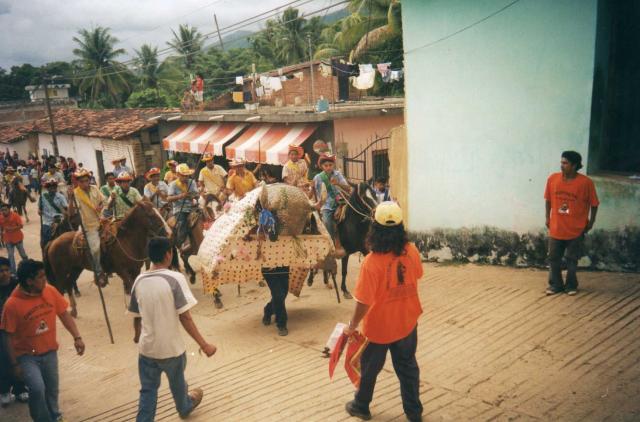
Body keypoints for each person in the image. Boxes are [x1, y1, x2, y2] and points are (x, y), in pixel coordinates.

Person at [342, 202, 424, 422]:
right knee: (408, 368)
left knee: (369, 368)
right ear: (400, 227)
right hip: (407, 320)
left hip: (379, 327)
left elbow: (363, 302)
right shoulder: (412, 250)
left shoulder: (371, 263)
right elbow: (417, 275)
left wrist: (351, 326)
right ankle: (414, 413)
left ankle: (361, 406)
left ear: (374, 228)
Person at [129, 237, 216, 421]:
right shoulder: (175, 279)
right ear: (168, 254)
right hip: (171, 349)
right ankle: (184, 407)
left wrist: (137, 336)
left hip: (147, 350)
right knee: (177, 384)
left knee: (148, 391)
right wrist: (204, 344)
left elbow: (136, 315)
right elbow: (185, 317)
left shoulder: (138, 281)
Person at [0, 259, 85, 422]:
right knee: (38, 389)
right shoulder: (12, 304)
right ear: (29, 281)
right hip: (26, 356)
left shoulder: (50, 291)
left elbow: (64, 314)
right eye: (40, 277)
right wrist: (14, 364)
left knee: (52, 389)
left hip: (50, 351)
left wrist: (77, 337)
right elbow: (7, 335)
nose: (45, 279)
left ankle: (55, 415)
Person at [544, 151, 599, 296]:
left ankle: (571, 285)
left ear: (574, 165)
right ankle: (555, 285)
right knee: (553, 258)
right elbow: (548, 200)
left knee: (572, 259)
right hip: (556, 227)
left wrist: (591, 222)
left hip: (576, 229)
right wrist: (547, 218)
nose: (561, 166)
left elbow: (594, 204)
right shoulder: (553, 179)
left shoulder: (586, 183)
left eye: (565, 163)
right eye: (561, 162)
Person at [68, 169, 108, 285]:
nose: (85, 184)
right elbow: (70, 213)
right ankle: (98, 272)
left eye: (87, 180)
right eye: (82, 182)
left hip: (102, 220)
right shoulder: (75, 193)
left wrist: (102, 207)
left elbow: (104, 202)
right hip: (89, 226)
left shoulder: (95, 188)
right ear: (78, 182)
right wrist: (70, 199)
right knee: (95, 249)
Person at [0, 256, 28, 407]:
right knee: (2, 360)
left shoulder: (18, 285)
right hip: (0, 330)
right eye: (0, 271)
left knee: (20, 358)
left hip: (18, 329)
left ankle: (20, 388)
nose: (4, 273)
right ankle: (4, 390)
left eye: (6, 270)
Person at [312, 154, 350, 257]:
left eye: (330, 165)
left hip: (341, 202)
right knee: (327, 221)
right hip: (326, 204)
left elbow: (348, 189)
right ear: (322, 167)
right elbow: (314, 194)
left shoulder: (338, 175)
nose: (328, 167)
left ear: (333, 165)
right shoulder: (318, 178)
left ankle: (348, 243)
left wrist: (338, 183)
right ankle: (330, 246)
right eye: (326, 165)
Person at [168, 164, 199, 250]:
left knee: (205, 214)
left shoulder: (191, 182)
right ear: (178, 174)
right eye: (183, 175)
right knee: (182, 223)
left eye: (187, 175)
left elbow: (197, 195)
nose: (185, 177)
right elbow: (169, 198)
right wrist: (180, 196)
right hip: (180, 208)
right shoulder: (173, 184)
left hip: (192, 207)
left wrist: (192, 196)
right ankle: (181, 244)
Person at [38, 179, 68, 250]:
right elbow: (39, 209)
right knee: (45, 240)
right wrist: (39, 211)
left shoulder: (61, 197)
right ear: (47, 188)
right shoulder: (43, 196)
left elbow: (66, 208)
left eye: (54, 187)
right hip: (47, 221)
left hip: (59, 219)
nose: (52, 189)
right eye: (50, 187)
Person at [0, 202, 29, 275]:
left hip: (18, 238)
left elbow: (21, 226)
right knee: (10, 255)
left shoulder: (15, 215)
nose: (4, 211)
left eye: (5, 210)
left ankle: (28, 266)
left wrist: (11, 229)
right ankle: (13, 273)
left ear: (9, 209)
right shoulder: (0, 217)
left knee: (23, 254)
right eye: (2, 210)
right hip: (8, 239)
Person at [261, 267, 290, 336]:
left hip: (283, 265)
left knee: (283, 294)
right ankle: (281, 323)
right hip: (268, 268)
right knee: (278, 294)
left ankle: (268, 310)